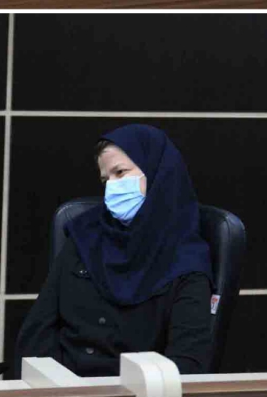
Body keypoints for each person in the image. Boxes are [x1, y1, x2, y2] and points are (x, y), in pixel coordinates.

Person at [19, 126, 217, 376]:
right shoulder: (85, 235)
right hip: (61, 388)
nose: (111, 186)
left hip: (135, 394)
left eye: (120, 172)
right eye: (105, 180)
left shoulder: (187, 263)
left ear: (158, 174)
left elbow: (186, 366)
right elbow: (37, 333)